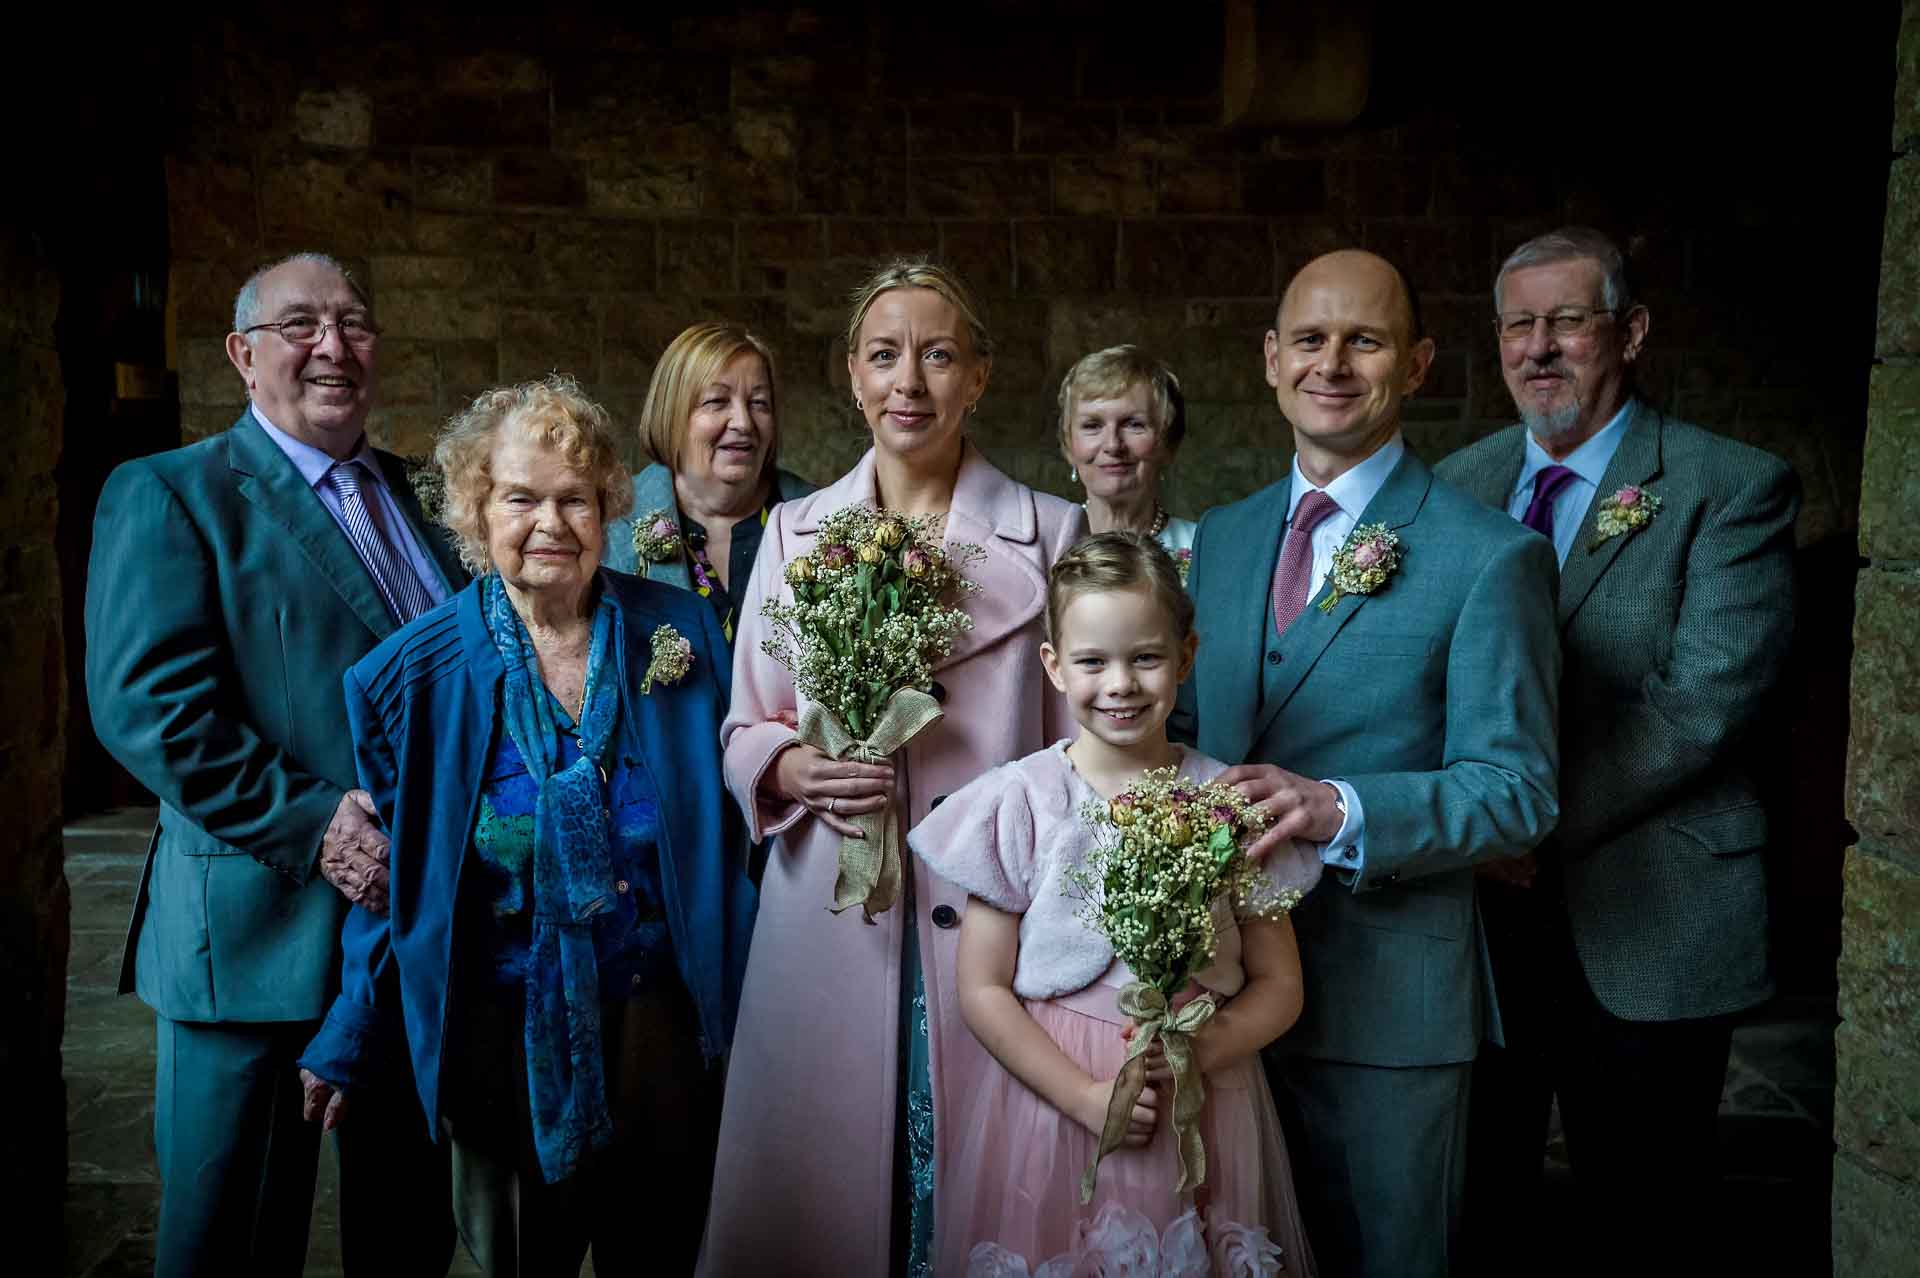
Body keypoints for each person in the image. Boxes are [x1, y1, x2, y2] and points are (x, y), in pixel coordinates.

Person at [295, 375, 756, 1276]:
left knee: (662, 1251)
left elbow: (740, 834)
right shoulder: (408, 679)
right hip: (500, 1033)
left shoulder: (685, 633)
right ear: (475, 509)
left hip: (663, 1023)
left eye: (574, 499)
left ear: (608, 508)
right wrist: (350, 1030)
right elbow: (400, 883)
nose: (550, 522)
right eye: (521, 498)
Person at [1172, 249, 1561, 1278]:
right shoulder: (1224, 535)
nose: (1331, 364)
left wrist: (1336, 807)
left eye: (1365, 340)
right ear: (1269, 360)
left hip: (1388, 1002)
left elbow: (1517, 793)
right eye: (1309, 339)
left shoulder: (1491, 555)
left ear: (1420, 364)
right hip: (1216, 994)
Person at [701, 258, 1085, 1277]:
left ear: (980, 378)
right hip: (833, 922)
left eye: (938, 354)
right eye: (884, 355)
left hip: (993, 923)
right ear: (853, 376)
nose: (909, 380)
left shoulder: (1054, 533)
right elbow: (745, 725)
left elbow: (1087, 751)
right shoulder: (792, 532)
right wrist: (789, 770)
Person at [84, 251, 462, 1278]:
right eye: (301, 325)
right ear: (242, 355)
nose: (333, 346)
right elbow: (148, 711)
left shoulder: (421, 498)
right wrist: (315, 827)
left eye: (354, 323)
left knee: (409, 1236)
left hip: (408, 945)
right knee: (231, 1247)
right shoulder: (173, 492)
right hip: (254, 941)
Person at [1436, 227, 1799, 1271]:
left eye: (1567, 321)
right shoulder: (1456, 482)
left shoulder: (1727, 485)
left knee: (1646, 1210)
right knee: (1483, 1197)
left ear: (1629, 333)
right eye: (1518, 324)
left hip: (1651, 908)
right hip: (1484, 916)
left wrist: (1524, 820)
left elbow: (1703, 703)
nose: (1539, 348)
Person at [911, 531, 1320, 1276]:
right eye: (1093, 661)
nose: (1121, 683)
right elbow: (981, 987)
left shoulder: (1228, 802)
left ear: (1186, 658)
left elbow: (1281, 985)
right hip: (1060, 1099)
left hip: (1202, 1094)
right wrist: (1083, 1096)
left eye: (1147, 658)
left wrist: (1199, 1053)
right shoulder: (1021, 800)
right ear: (1054, 667)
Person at [602, 321, 815, 642]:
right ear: (671, 414)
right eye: (716, 401)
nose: (743, 423)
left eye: (759, 403)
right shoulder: (613, 522)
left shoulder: (819, 517)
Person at [1058, 345, 1197, 573]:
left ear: (1167, 442)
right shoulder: (1047, 547)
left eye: (1134, 424)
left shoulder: (1204, 549)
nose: (1113, 444)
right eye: (1092, 425)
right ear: (1068, 444)